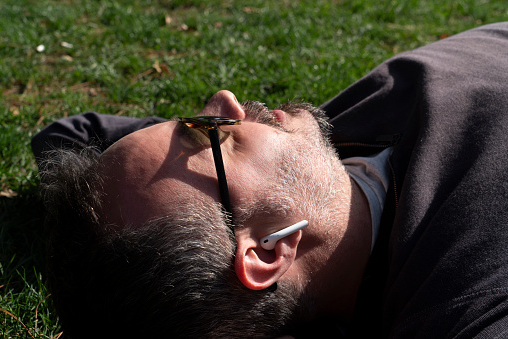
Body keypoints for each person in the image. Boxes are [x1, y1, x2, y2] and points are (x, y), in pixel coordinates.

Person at [32, 22, 508, 338]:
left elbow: (71, 134)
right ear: (265, 252)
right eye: (205, 137)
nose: (225, 101)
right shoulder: (468, 294)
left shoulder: (321, 144)